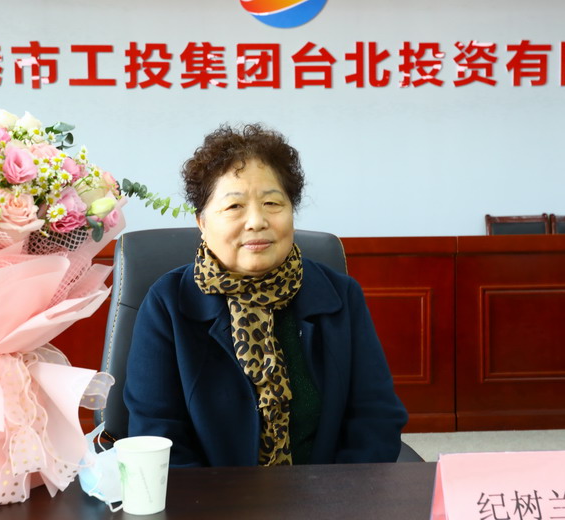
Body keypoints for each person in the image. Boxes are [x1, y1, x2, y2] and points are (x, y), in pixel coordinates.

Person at [123, 123, 407, 467]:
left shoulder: (340, 295)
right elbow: (157, 433)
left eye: (272, 203)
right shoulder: (168, 303)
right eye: (234, 207)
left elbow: (376, 419)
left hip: (329, 494)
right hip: (209, 498)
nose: (256, 221)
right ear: (202, 223)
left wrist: (335, 494)